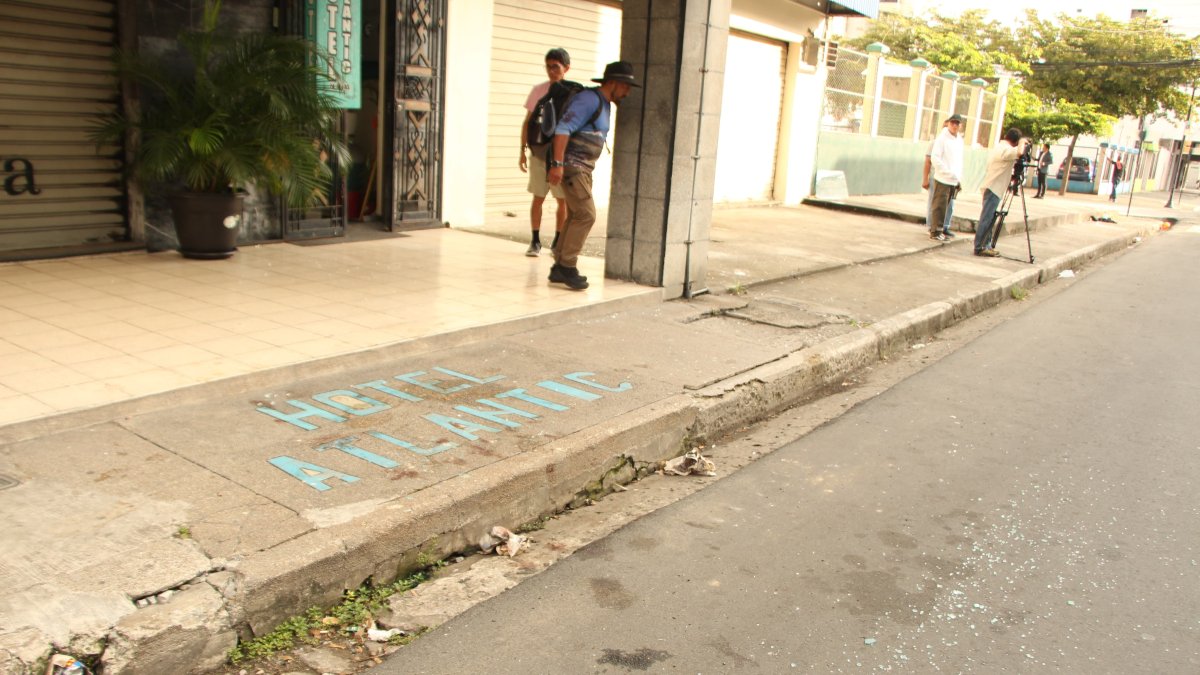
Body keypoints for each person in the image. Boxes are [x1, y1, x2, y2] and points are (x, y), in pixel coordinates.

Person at [545, 61, 639, 290]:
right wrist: (557, 164)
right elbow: (563, 129)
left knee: (577, 213)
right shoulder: (588, 100)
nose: (627, 92)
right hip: (572, 167)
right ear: (614, 83)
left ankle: (559, 265)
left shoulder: (605, 103)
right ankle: (568, 266)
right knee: (587, 215)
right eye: (625, 87)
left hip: (583, 169)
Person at [519, 48, 571, 257]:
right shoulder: (538, 90)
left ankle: (558, 241)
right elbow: (527, 122)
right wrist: (522, 151)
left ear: (566, 68)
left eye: (555, 66)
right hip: (539, 153)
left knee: (562, 200)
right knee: (538, 197)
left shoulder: (572, 93)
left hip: (560, 156)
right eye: (548, 66)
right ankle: (535, 240)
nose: (551, 71)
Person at [974, 128, 1028, 257]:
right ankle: (980, 246)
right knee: (987, 218)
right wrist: (1022, 142)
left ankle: (986, 245)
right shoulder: (1005, 150)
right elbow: (1019, 152)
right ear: (1015, 141)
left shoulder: (999, 147)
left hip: (993, 188)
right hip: (993, 188)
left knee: (990, 218)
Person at [928, 113, 964, 242]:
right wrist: (946, 172)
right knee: (939, 206)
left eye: (957, 123)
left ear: (960, 125)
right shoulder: (942, 138)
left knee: (947, 206)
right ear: (948, 123)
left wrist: (958, 177)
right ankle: (935, 231)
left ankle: (941, 229)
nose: (954, 125)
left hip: (953, 180)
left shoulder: (959, 140)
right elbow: (935, 158)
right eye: (952, 123)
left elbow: (958, 160)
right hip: (943, 178)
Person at [922, 120, 955, 238]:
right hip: (936, 177)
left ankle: (944, 226)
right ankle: (931, 226)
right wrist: (925, 179)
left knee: (949, 204)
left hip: (949, 179)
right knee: (934, 202)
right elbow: (927, 162)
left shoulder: (953, 144)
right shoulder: (935, 142)